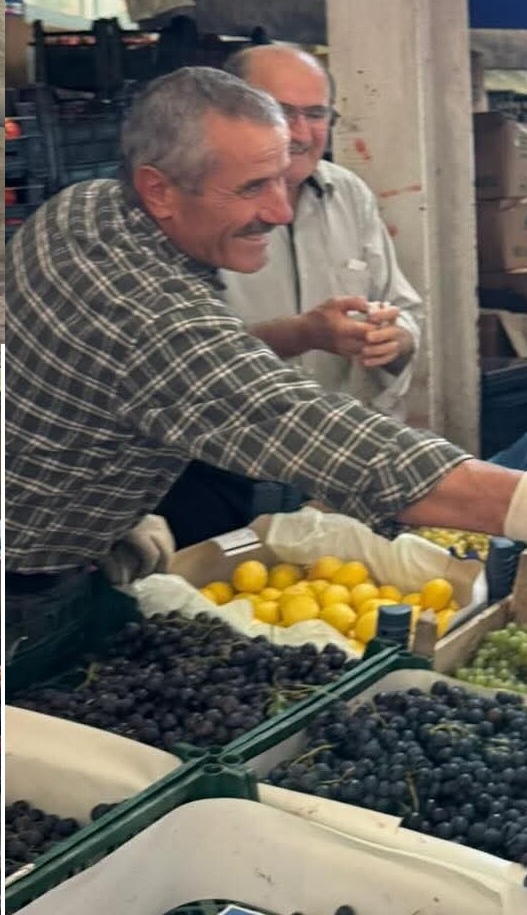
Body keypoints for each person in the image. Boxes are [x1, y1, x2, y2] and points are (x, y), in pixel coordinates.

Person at [4, 67, 527, 615]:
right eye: (253, 187)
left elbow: (144, 371)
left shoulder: (86, 209)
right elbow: (295, 421)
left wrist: (109, 514)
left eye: (282, 177)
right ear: (159, 188)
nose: (280, 211)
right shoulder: (141, 308)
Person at [155, 44, 424, 547]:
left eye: (316, 114)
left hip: (333, 474)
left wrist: (397, 339)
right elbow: (177, 361)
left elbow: (402, 305)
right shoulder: (188, 207)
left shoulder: (350, 195)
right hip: (221, 480)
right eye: (279, 112)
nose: (300, 133)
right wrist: (302, 334)